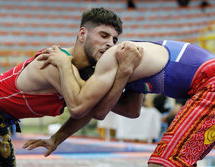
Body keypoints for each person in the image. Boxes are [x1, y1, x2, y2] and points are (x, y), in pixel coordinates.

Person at [0, 7, 141, 167]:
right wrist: (122, 72)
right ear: (82, 34)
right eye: (104, 36)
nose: (111, 43)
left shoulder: (88, 72)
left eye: (115, 39)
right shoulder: (54, 62)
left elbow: (127, 111)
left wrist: (55, 139)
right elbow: (80, 107)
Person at [24, 40, 214, 167]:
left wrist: (65, 65)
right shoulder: (128, 69)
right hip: (207, 84)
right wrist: (56, 139)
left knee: (162, 163)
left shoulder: (117, 56)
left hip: (210, 83)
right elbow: (131, 111)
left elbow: (90, 108)